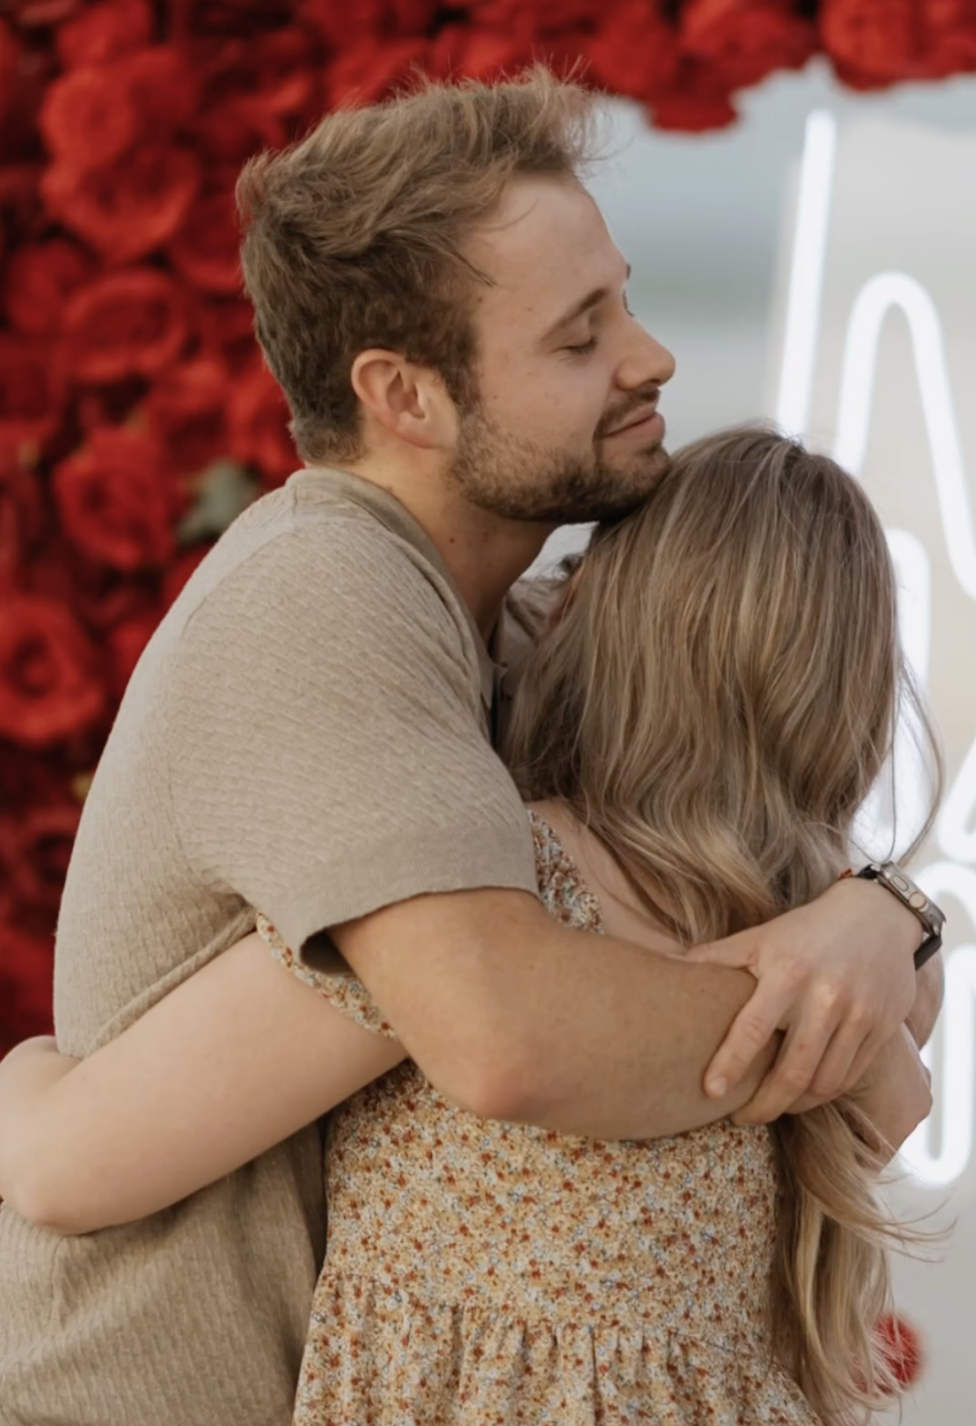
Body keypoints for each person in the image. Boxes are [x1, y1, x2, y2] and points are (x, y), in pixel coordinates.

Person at [0, 73, 935, 1426]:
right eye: (578, 336)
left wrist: (878, 917)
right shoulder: (330, 598)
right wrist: (837, 1020)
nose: (652, 355)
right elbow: (505, 1034)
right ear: (407, 397)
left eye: (623, 299)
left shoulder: (493, 636)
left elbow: (723, 786)